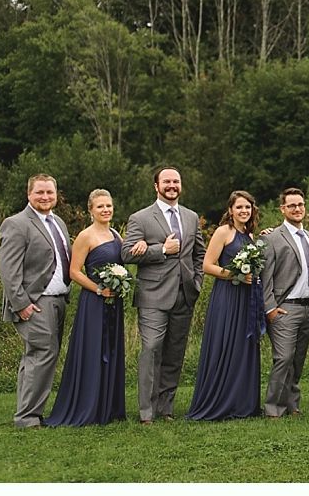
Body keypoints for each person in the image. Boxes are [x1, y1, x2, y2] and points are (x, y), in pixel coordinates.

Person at [45, 189, 145, 427]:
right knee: (93, 351)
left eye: (108, 205)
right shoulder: (85, 236)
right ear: (91, 210)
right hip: (94, 303)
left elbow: (127, 255)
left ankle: (108, 406)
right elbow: (74, 272)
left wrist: (141, 244)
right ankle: (87, 406)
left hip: (114, 304)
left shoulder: (115, 235)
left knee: (111, 349)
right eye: (100, 206)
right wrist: (98, 289)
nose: (106, 210)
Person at [121, 166, 207, 425]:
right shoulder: (141, 218)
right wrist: (162, 249)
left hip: (184, 294)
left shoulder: (191, 217)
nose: (172, 185)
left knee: (174, 352)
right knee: (151, 349)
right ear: (156, 186)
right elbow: (126, 253)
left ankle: (165, 408)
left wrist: (197, 281)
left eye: (176, 181)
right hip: (153, 296)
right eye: (166, 181)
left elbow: (199, 254)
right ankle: (146, 411)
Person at [0, 174, 73, 428]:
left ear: (56, 194)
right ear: (29, 194)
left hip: (58, 300)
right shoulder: (16, 223)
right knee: (42, 353)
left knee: (40, 356)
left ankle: (28, 410)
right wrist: (22, 304)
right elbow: (8, 270)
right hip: (34, 303)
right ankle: (27, 418)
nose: (45, 197)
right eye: (40, 192)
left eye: (49, 192)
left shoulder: (58, 222)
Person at [187, 190, 264, 421]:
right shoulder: (224, 232)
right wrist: (234, 274)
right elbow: (207, 265)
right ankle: (220, 402)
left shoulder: (249, 235)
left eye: (247, 207)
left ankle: (242, 403)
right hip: (228, 296)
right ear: (230, 210)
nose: (243, 211)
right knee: (225, 344)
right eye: (239, 207)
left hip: (246, 299)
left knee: (243, 347)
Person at [261, 187, 309, 418]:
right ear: (283, 209)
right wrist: (270, 308)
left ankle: (292, 405)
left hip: (308, 306)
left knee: (297, 359)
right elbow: (265, 277)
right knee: (283, 358)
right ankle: (273, 408)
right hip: (285, 308)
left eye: (301, 205)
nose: (298, 209)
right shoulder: (272, 238)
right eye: (292, 205)